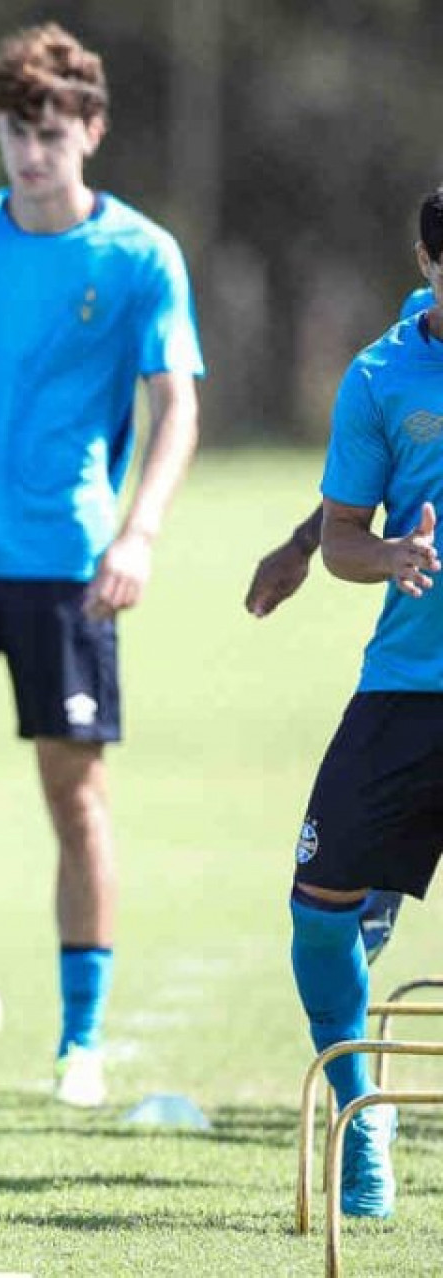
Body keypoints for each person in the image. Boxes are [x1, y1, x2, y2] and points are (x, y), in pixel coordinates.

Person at [0, 22, 203, 1108]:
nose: (30, 153)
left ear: (91, 132)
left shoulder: (138, 256)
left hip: (66, 560)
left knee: (74, 798)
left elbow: (178, 408)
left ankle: (82, 1038)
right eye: (16, 132)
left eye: (51, 132)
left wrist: (140, 531)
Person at [284, 186, 443, 1222]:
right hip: (407, 689)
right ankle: (363, 1116)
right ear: (431, 263)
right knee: (314, 915)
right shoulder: (383, 374)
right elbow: (342, 532)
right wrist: (382, 553)